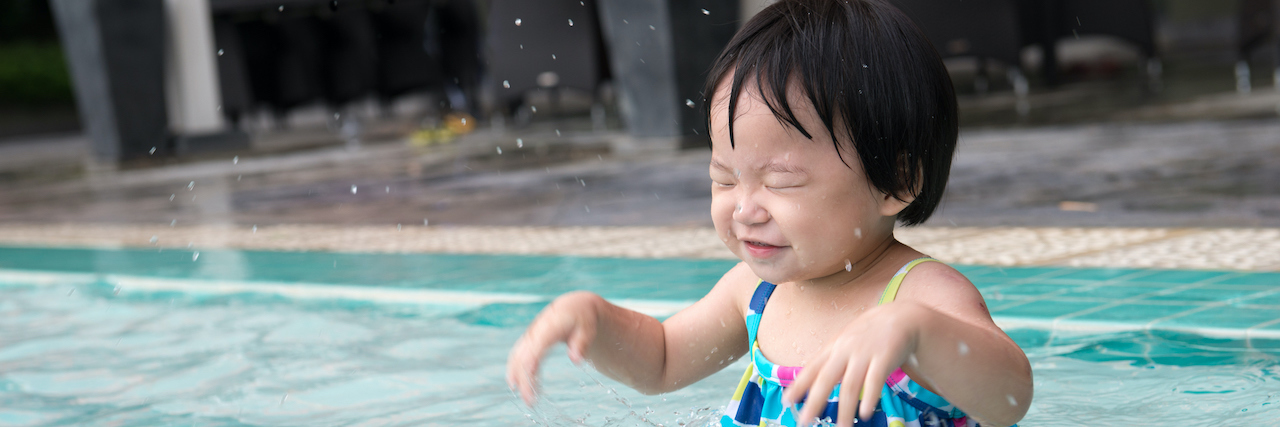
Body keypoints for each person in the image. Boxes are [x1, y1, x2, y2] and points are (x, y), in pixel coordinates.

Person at [506, 0, 1032, 425]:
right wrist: (594, 319)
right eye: (724, 179)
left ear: (895, 181)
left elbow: (1009, 401)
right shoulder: (754, 295)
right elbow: (662, 360)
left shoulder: (921, 295)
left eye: (781, 181)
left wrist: (916, 331)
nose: (744, 208)